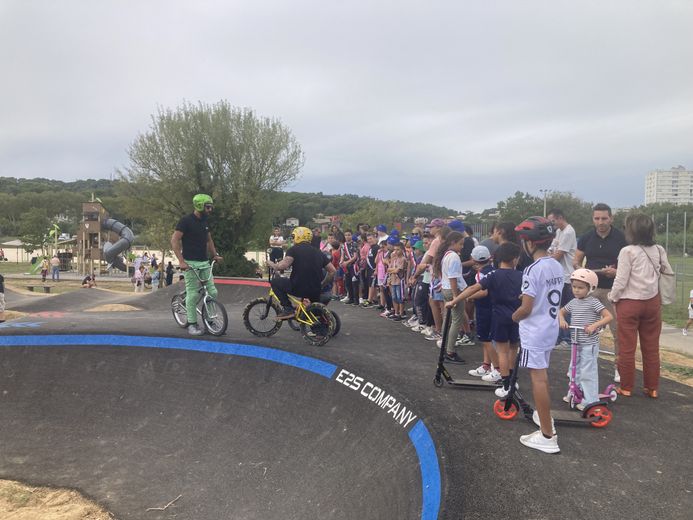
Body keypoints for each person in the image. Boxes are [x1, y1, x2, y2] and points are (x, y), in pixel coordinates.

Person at [512, 216, 564, 454]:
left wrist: (513, 317)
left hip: (535, 330)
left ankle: (547, 435)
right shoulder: (555, 264)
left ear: (529, 244)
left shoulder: (532, 269)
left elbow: (526, 308)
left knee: (538, 379)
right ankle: (546, 421)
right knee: (542, 375)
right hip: (549, 327)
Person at [608, 213, 672, 399]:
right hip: (652, 301)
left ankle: (626, 387)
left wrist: (613, 297)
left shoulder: (627, 251)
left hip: (629, 302)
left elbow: (621, 280)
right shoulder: (659, 250)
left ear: (631, 230)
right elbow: (666, 271)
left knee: (627, 347)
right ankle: (652, 388)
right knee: (651, 347)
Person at [448, 242, 522, 386]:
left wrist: (454, 300)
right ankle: (512, 380)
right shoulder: (521, 275)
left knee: (502, 351)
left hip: (499, 317)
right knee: (513, 348)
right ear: (515, 259)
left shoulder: (494, 274)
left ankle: (505, 381)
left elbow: (473, 288)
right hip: (517, 317)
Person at [574, 203, 627, 382]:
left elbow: (630, 264)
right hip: (591, 289)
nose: (601, 222)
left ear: (611, 218)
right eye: (597, 218)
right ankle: (578, 364)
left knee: (618, 330)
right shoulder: (587, 238)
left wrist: (616, 271)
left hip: (614, 289)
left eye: (604, 218)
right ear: (593, 219)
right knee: (583, 328)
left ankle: (618, 368)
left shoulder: (622, 238)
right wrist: (585, 273)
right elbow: (576, 261)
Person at [559, 269, 613, 409]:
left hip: (589, 343)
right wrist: (562, 320)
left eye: (581, 287)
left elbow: (608, 316)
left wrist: (594, 325)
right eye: (574, 287)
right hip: (576, 343)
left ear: (591, 288)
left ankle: (590, 400)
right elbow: (561, 311)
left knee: (587, 372)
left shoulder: (593, 302)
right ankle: (574, 393)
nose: (576, 290)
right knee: (573, 369)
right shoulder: (573, 302)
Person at [171, 194, 223, 336]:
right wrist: (181, 261)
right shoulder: (186, 221)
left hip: (204, 262)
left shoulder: (205, 222)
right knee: (193, 295)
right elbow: (174, 240)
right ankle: (192, 325)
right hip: (190, 263)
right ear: (199, 206)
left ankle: (210, 321)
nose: (210, 209)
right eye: (208, 207)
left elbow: (209, 240)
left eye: (211, 206)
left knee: (212, 292)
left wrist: (215, 255)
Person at [266, 227, 336, 318]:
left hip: (298, 287)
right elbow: (332, 271)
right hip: (315, 289)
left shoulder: (293, 250)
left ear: (298, 236)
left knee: (275, 282)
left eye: (294, 236)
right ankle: (319, 325)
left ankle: (288, 309)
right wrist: (322, 284)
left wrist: (271, 263)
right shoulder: (319, 252)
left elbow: (282, 266)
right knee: (315, 314)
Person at [432, 230, 467, 363]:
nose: (462, 247)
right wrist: (455, 295)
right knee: (456, 321)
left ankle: (444, 344)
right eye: (460, 244)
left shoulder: (445, 255)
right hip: (453, 289)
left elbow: (445, 274)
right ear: (453, 243)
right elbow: (453, 277)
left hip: (445, 288)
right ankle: (450, 351)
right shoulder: (454, 256)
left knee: (447, 318)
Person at [547, 208, 577, 346]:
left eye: (553, 221)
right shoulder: (558, 232)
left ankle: (567, 338)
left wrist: (548, 258)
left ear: (560, 218)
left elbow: (558, 255)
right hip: (559, 275)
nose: (552, 224)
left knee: (566, 308)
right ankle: (559, 337)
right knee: (558, 307)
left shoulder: (568, 232)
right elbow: (551, 249)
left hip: (567, 275)